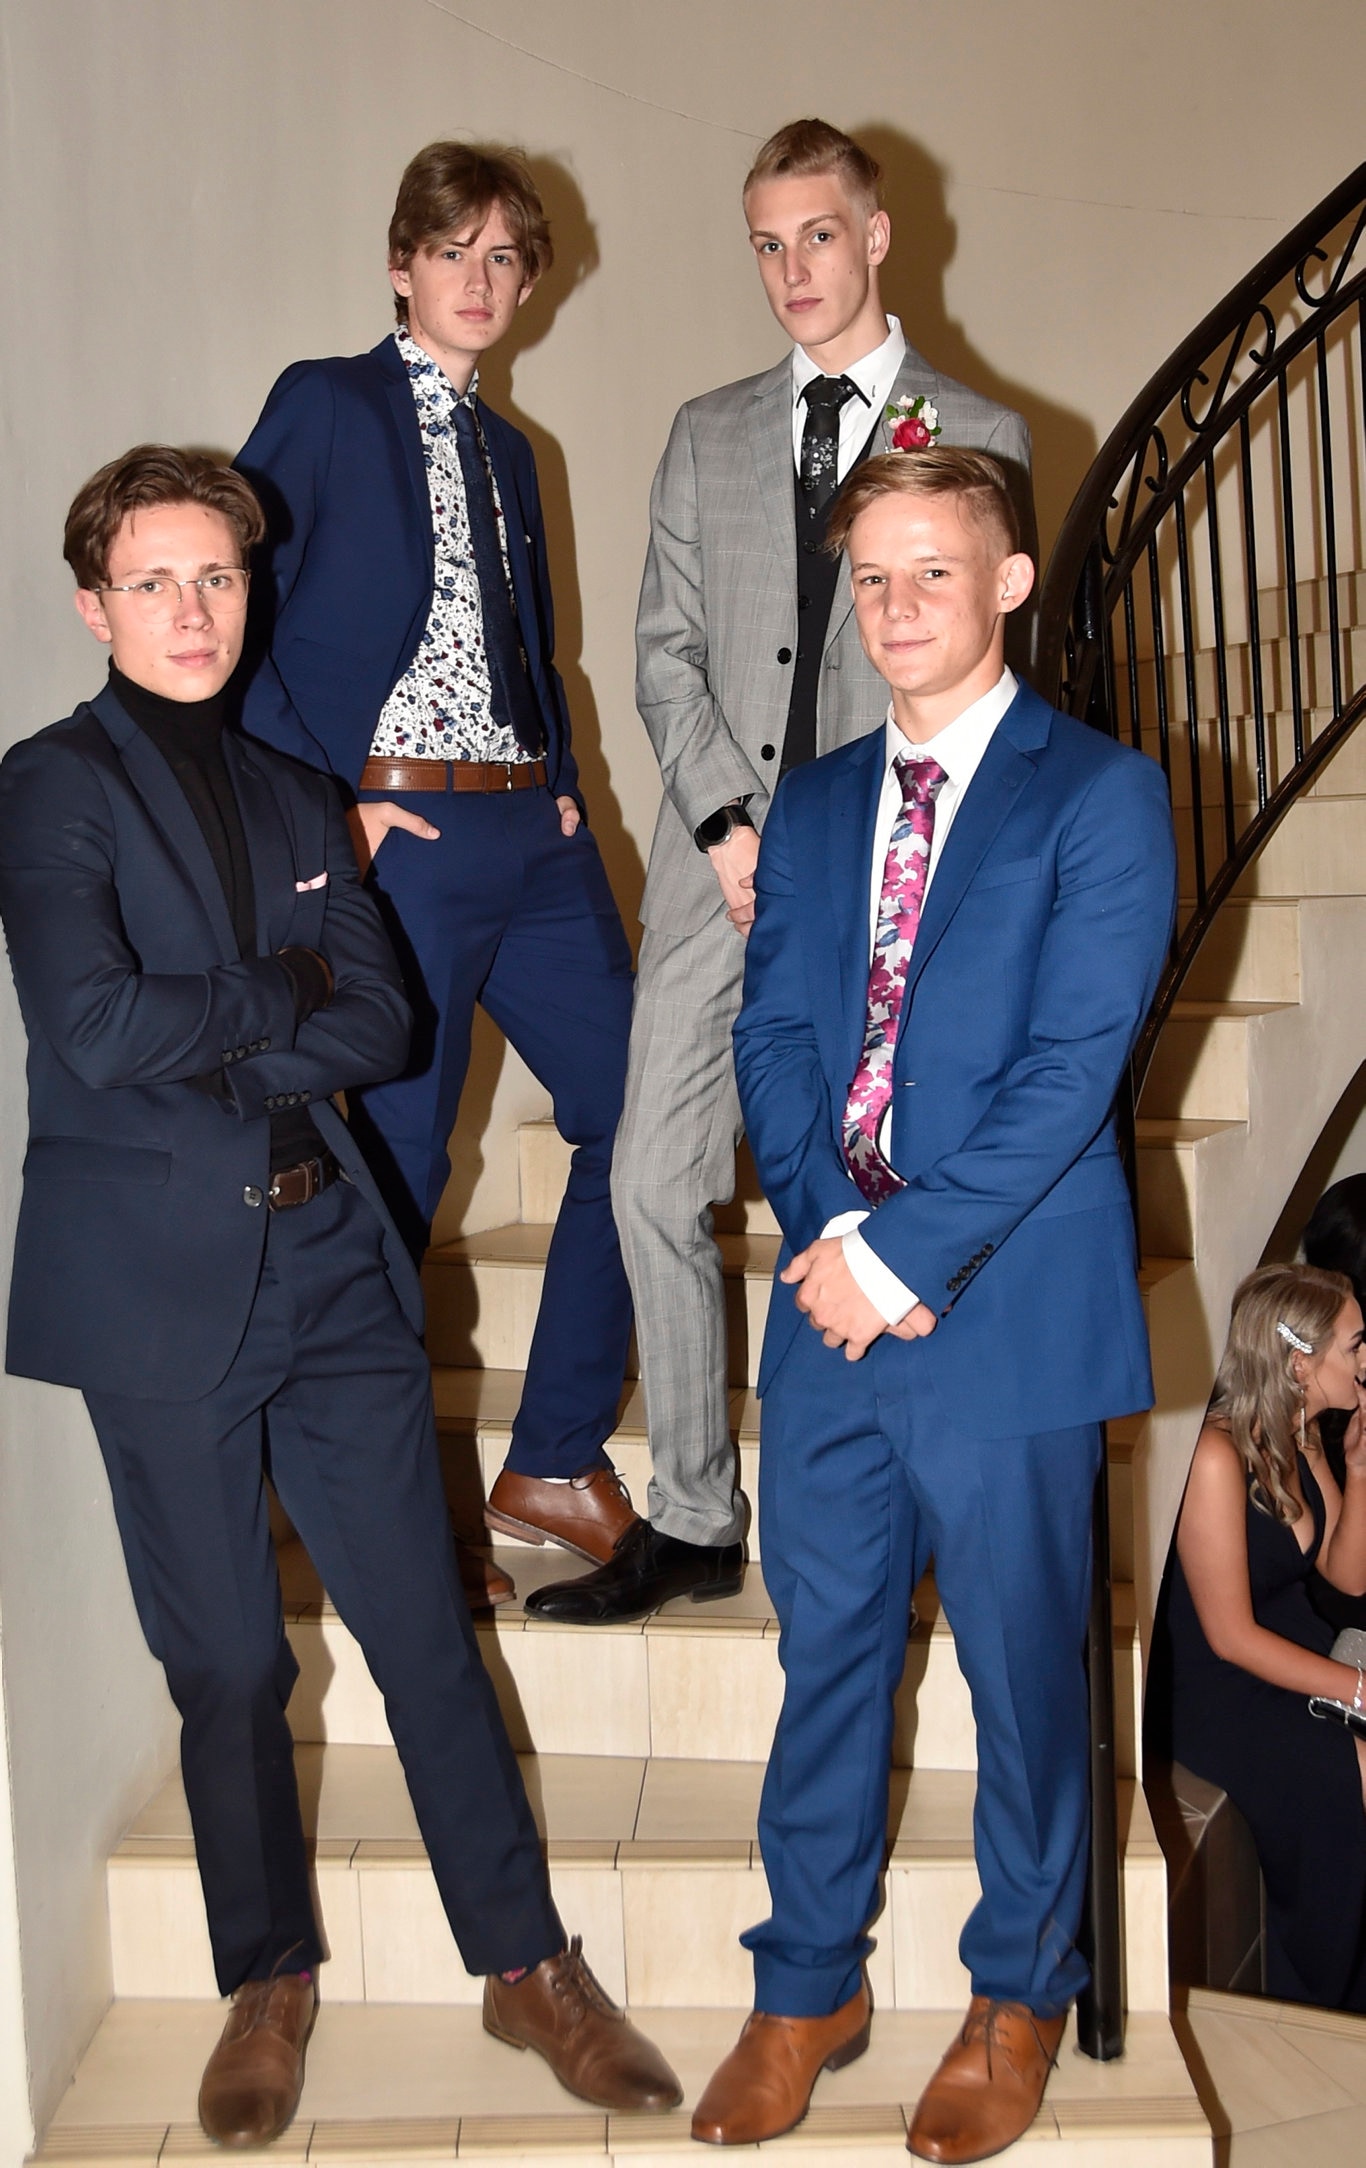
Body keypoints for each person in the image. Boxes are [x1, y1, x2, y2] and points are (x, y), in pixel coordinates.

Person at [0, 448, 681, 2148]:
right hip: (157, 1290)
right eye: (152, 581)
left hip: (330, 1263)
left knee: (420, 1636)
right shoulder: (47, 788)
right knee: (228, 1658)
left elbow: (379, 1027)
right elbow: (92, 1027)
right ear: (95, 604)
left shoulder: (308, 794)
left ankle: (524, 1962)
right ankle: (268, 1973)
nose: (190, 609)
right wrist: (286, 984)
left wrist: (247, 1005)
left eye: (216, 576)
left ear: (252, 587)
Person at [690, 448, 1177, 2164]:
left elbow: (1070, 1074)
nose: (897, 609)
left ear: (1009, 583)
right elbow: (773, 1037)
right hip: (835, 1310)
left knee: (1025, 1673)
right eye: (873, 579)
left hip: (1012, 1310)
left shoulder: (1100, 794)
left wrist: (909, 1253)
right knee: (823, 1655)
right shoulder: (815, 802)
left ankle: (1014, 1989)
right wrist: (836, 1241)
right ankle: (805, 1979)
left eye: (932, 573)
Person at [528, 119, 1033, 1628]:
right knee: (647, 1181)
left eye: (816, 235)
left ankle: (910, 1491)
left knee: (891, 1184)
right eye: (764, 243)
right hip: (719, 876)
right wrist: (723, 832)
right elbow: (662, 656)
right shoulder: (707, 430)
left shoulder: (981, 432)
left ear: (877, 236)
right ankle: (689, 1511)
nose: (790, 270)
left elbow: (976, 665)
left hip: (897, 878)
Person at [235, 142, 640, 1580]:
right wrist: (319, 813)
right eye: (453, 251)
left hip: (530, 829)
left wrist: (569, 788)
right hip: (398, 833)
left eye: (504, 260)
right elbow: (242, 610)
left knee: (644, 1114)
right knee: (398, 1162)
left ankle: (548, 1459)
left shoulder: (515, 452)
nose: (480, 280)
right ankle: (379, 1504)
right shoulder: (327, 402)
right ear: (402, 264)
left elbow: (531, 649)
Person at [1149, 1263, 1366, 2011]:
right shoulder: (1215, 1455)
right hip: (1225, 1691)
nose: (1365, 1360)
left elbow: (1345, 1575)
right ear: (1301, 1363)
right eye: (1355, 1345)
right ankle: (1326, 1990)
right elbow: (1231, 1637)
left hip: (1295, 1648)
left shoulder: (1301, 1430)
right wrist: (1360, 1688)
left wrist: (1360, 1474)